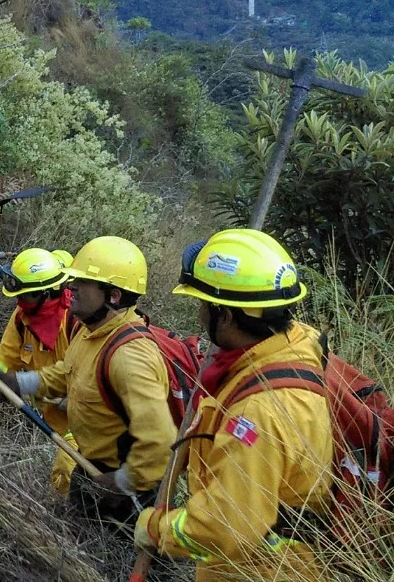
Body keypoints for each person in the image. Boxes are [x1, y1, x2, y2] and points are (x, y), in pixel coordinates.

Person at [134, 230, 333, 581]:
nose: (199, 316)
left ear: (224, 316)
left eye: (203, 305)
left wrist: (158, 529)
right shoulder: (293, 342)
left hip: (257, 572)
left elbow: (224, 530)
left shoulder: (258, 413)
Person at [0, 236, 176, 524]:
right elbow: (64, 373)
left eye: (82, 283)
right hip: (92, 468)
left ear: (114, 296)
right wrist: (17, 383)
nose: (70, 288)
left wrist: (123, 482)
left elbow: (160, 441)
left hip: (126, 492)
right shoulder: (90, 333)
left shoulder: (130, 357)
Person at [0, 248, 81, 494]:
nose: (19, 302)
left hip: (87, 418)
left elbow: (87, 376)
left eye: (25, 296)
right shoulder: (22, 317)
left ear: (45, 293)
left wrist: (69, 401)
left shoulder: (76, 321)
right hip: (56, 415)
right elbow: (4, 354)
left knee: (67, 471)